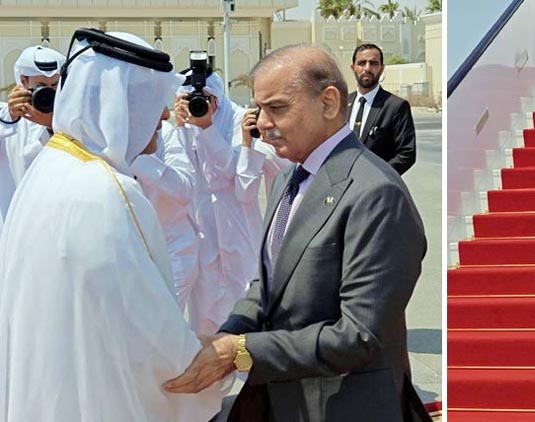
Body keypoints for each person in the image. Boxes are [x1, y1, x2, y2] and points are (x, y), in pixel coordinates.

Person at [164, 44, 431, 422]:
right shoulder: (289, 177)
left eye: (277, 108)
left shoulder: (376, 193)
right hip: (285, 400)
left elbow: (358, 335)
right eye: (259, 109)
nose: (263, 123)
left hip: (343, 406)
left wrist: (241, 352)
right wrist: (228, 335)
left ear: (328, 102)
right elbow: (268, 283)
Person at [0, 30, 227, 421]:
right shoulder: (105, 191)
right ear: (120, 103)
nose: (163, 116)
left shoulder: (53, 165)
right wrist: (219, 360)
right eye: (153, 102)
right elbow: (148, 334)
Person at [174, 71, 269, 336]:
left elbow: (238, 181)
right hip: (205, 231)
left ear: (218, 97)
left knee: (245, 303)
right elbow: (186, 173)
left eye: (207, 98)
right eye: (194, 99)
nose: (202, 105)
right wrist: (181, 128)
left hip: (239, 225)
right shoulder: (187, 123)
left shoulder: (241, 119)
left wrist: (207, 130)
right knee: (205, 312)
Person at [132, 120, 199, 311]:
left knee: (164, 320)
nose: (166, 114)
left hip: (173, 251)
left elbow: (184, 190)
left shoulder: (166, 133)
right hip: (127, 254)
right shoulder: (97, 140)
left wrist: (135, 157)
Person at [0, 45, 65, 226]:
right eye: (40, 87)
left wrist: (52, 125)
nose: (48, 93)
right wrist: (10, 117)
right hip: (11, 223)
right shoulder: (5, 115)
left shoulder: (70, 121)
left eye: (54, 86)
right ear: (23, 81)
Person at [347, 43, 416, 175]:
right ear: (353, 67)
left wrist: (376, 176)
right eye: (362, 63)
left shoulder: (395, 106)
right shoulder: (342, 104)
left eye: (373, 63)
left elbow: (407, 153)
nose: (367, 68)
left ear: (382, 68)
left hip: (377, 183)